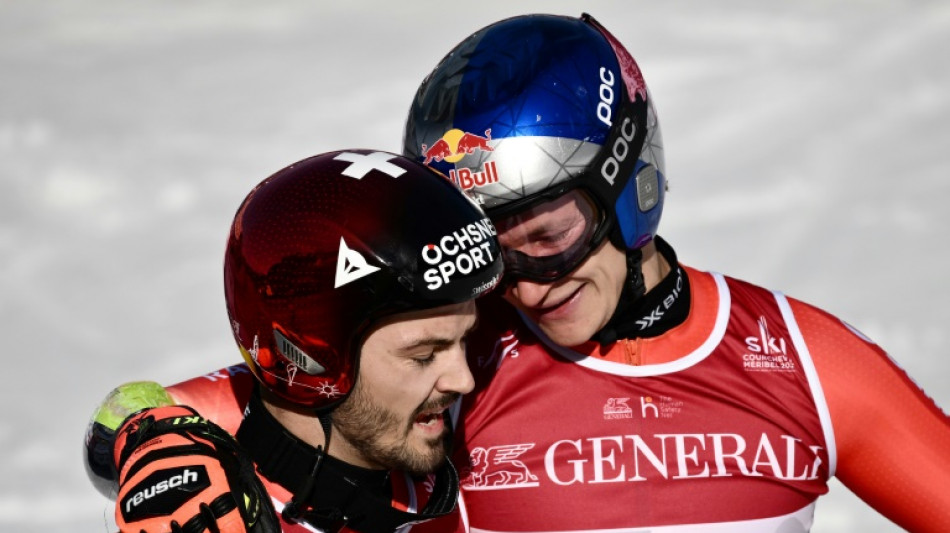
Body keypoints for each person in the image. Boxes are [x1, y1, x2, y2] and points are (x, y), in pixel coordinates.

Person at [398, 12, 950, 533]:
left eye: (549, 237)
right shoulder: (451, 371)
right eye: (490, 252)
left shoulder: (802, 361)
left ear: (625, 181)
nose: (527, 284)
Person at [83, 149, 503, 533]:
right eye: (423, 355)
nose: (464, 380)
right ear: (314, 357)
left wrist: (137, 434)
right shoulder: (210, 515)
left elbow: (128, 414)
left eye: (465, 338)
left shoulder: (480, 405)